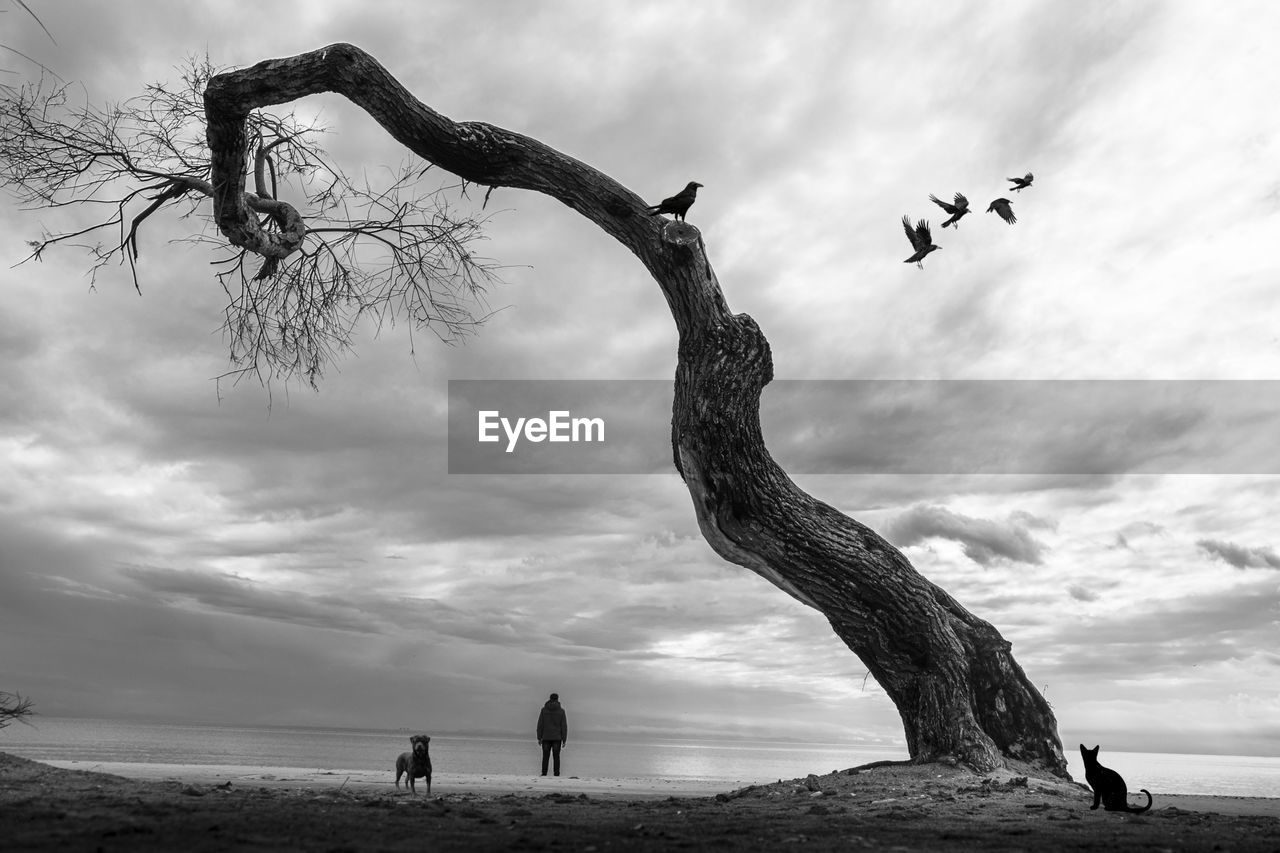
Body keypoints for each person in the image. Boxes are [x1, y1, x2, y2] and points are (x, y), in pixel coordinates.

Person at [536, 692, 568, 776]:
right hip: (557, 737)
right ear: (557, 699)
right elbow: (564, 726)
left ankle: (544, 773)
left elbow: (540, 724)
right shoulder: (561, 711)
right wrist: (564, 739)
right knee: (556, 757)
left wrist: (539, 737)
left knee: (545, 756)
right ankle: (556, 774)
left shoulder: (544, 710)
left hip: (546, 736)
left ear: (549, 699)